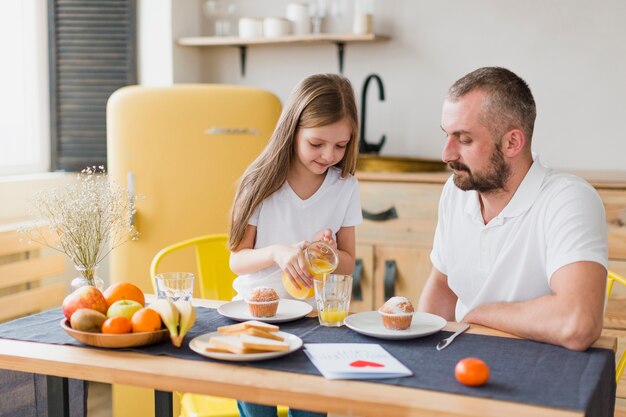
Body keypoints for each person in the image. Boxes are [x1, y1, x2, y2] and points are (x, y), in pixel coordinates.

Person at [417, 67, 608, 352]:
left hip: (541, 370)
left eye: (464, 139)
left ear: (512, 143)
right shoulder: (456, 192)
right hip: (465, 360)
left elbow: (577, 323)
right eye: (446, 135)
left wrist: (480, 314)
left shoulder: (568, 199)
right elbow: (442, 287)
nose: (446, 154)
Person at [228, 73, 362, 417]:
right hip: (257, 321)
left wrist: (328, 255)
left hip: (315, 320)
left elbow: (348, 263)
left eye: (340, 145)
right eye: (317, 144)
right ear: (292, 131)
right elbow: (237, 261)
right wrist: (277, 251)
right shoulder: (260, 182)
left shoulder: (344, 186)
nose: (329, 155)